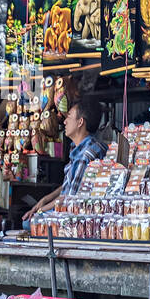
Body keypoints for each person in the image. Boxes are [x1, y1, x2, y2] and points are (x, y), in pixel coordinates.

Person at [23, 95, 107, 223]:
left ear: (80, 122)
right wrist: (44, 200)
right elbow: (68, 185)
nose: (64, 121)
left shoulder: (87, 154)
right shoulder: (80, 148)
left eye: (69, 116)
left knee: (29, 223)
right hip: (66, 206)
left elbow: (70, 197)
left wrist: (40, 211)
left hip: (74, 214)